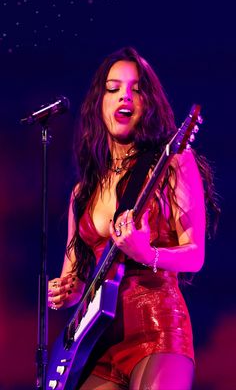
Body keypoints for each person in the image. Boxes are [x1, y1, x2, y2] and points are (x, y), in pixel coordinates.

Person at [48, 46, 219, 390]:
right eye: (113, 88)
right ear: (99, 103)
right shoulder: (82, 193)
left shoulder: (172, 162)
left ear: (148, 103)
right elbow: (77, 279)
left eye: (136, 89)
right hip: (98, 344)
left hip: (158, 329)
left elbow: (195, 255)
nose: (125, 96)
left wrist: (147, 254)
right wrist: (64, 291)